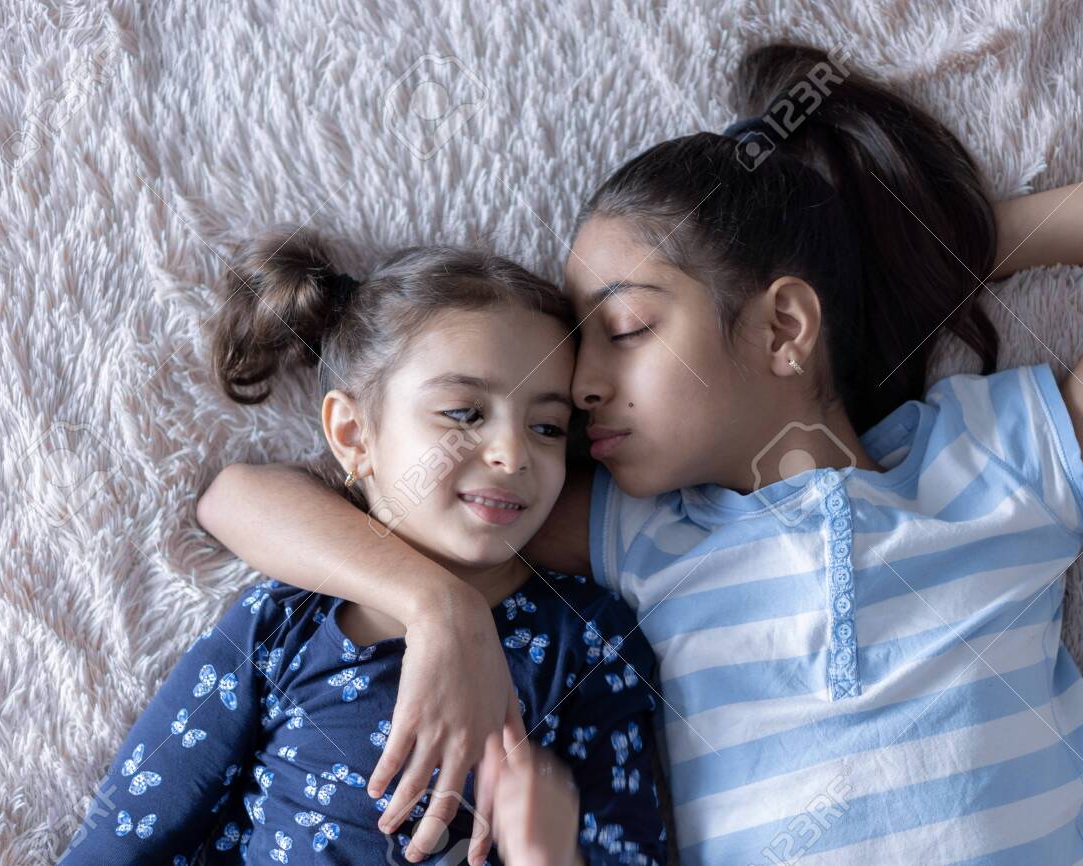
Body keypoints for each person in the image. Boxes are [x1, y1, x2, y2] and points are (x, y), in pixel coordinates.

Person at [197, 42, 1083, 865]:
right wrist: (437, 606)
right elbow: (241, 498)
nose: (580, 383)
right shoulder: (636, 533)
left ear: (784, 328)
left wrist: (920, 250)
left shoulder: (1001, 463)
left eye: (624, 328)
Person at [57, 236, 669, 866]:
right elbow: (128, 835)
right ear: (353, 435)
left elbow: (632, 852)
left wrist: (549, 852)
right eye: (463, 414)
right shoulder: (283, 623)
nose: (512, 455)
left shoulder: (590, 640)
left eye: (546, 427)